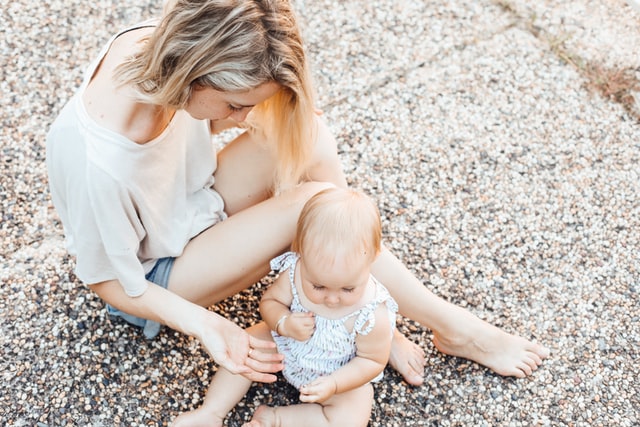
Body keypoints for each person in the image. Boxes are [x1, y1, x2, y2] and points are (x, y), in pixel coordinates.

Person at [46, 0, 548, 404]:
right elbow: (107, 281)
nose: (242, 119)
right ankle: (451, 327)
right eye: (236, 105)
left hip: (190, 206)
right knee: (315, 204)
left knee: (307, 131)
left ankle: (360, 305)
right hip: (156, 276)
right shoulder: (98, 161)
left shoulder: (160, 44)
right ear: (194, 75)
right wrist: (210, 326)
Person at [173, 188, 397, 427]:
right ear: (301, 254)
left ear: (372, 259)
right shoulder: (296, 272)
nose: (332, 299)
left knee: (352, 414)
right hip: (285, 347)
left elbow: (371, 361)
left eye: (347, 289)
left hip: (337, 373)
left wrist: (335, 384)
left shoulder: (371, 314)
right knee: (247, 342)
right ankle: (211, 411)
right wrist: (282, 322)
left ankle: (276, 419)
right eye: (319, 286)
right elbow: (270, 302)